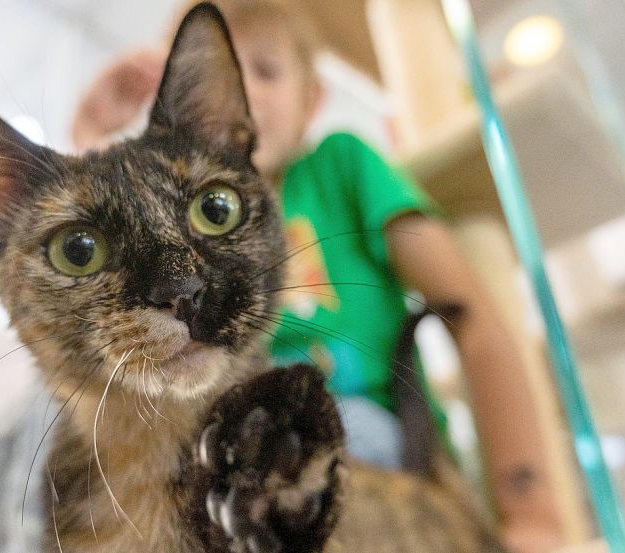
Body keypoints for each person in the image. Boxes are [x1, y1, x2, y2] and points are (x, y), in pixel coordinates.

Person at [71, 2, 565, 551]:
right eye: (199, 77)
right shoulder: (169, 229)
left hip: (356, 442)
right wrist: (90, 140)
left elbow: (471, 317)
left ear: (313, 100)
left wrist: (532, 508)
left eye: (263, 71)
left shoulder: (338, 166)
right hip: (220, 448)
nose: (234, 91)